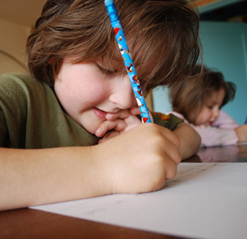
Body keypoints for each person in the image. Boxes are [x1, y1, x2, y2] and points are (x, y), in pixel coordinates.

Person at [0, 0, 201, 211]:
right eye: (106, 69)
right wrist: (106, 165)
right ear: (54, 52)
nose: (125, 100)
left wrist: (151, 147)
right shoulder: (16, 95)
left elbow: (189, 133)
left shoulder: (130, 119)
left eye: (144, 83)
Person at [168, 64, 247, 147]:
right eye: (210, 106)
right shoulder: (173, 118)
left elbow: (242, 132)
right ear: (188, 102)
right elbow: (193, 136)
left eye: (219, 107)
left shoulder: (213, 118)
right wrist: (236, 135)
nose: (217, 113)